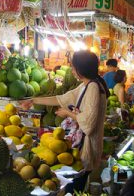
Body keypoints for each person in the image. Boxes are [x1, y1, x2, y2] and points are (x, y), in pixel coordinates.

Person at [21, 50, 108, 193]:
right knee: (74, 187)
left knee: (75, 189)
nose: (72, 71)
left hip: (86, 148)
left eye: (74, 67)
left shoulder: (93, 87)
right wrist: (33, 100)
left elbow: (89, 124)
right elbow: (61, 98)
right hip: (81, 148)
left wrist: (68, 113)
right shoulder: (86, 85)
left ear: (81, 68)